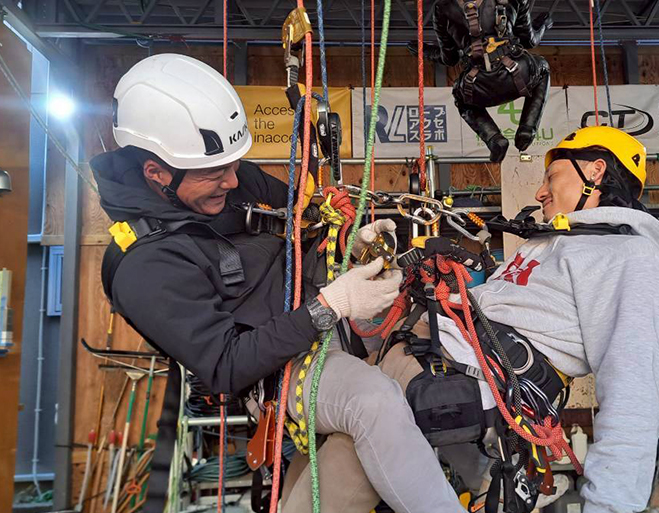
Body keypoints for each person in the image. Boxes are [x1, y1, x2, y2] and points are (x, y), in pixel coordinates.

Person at [92, 53, 468, 513]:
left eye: (235, 164)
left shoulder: (227, 179)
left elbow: (303, 220)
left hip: (338, 322)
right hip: (281, 370)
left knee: (454, 356)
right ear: (157, 173)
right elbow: (228, 364)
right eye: (216, 173)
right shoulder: (143, 267)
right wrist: (332, 303)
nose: (234, 180)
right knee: (373, 401)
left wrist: (352, 243)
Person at [295, 126, 659, 513]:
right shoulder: (548, 243)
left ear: (594, 173)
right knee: (313, 443)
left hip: (454, 380)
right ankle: (481, 480)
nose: (539, 192)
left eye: (551, 176)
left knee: (338, 442)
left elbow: (634, 393)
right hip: (427, 361)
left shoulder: (631, 259)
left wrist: (609, 507)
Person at [409, 0, 552, 162]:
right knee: (543, 69)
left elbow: (450, 58)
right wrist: (543, 25)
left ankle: (493, 138)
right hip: (517, 73)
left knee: (461, 97)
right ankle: (527, 128)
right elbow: (529, 40)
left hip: (477, 84)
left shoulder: (442, 7)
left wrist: (425, 51)